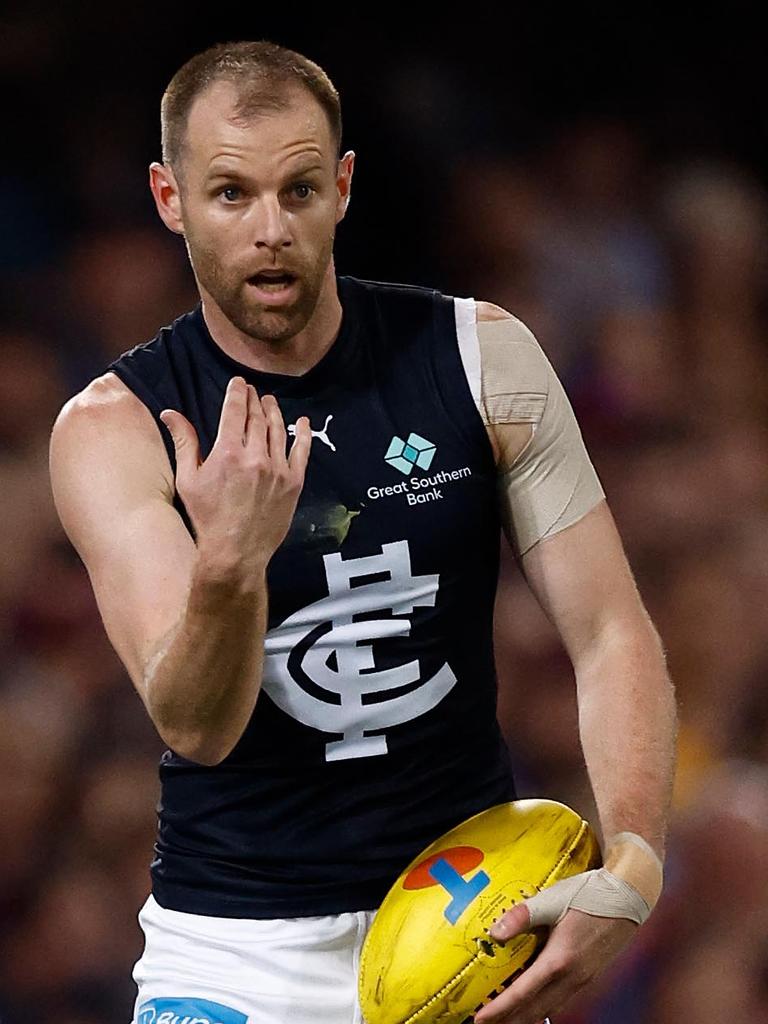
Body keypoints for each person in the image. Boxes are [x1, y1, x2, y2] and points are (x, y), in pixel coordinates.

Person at [48, 39, 677, 1024]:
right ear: (169, 199)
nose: (270, 229)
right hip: (235, 957)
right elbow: (195, 725)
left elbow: (608, 630)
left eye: (299, 189)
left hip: (467, 923)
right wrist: (229, 565)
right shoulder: (114, 428)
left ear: (342, 187)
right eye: (230, 194)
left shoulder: (483, 359)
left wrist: (635, 856)